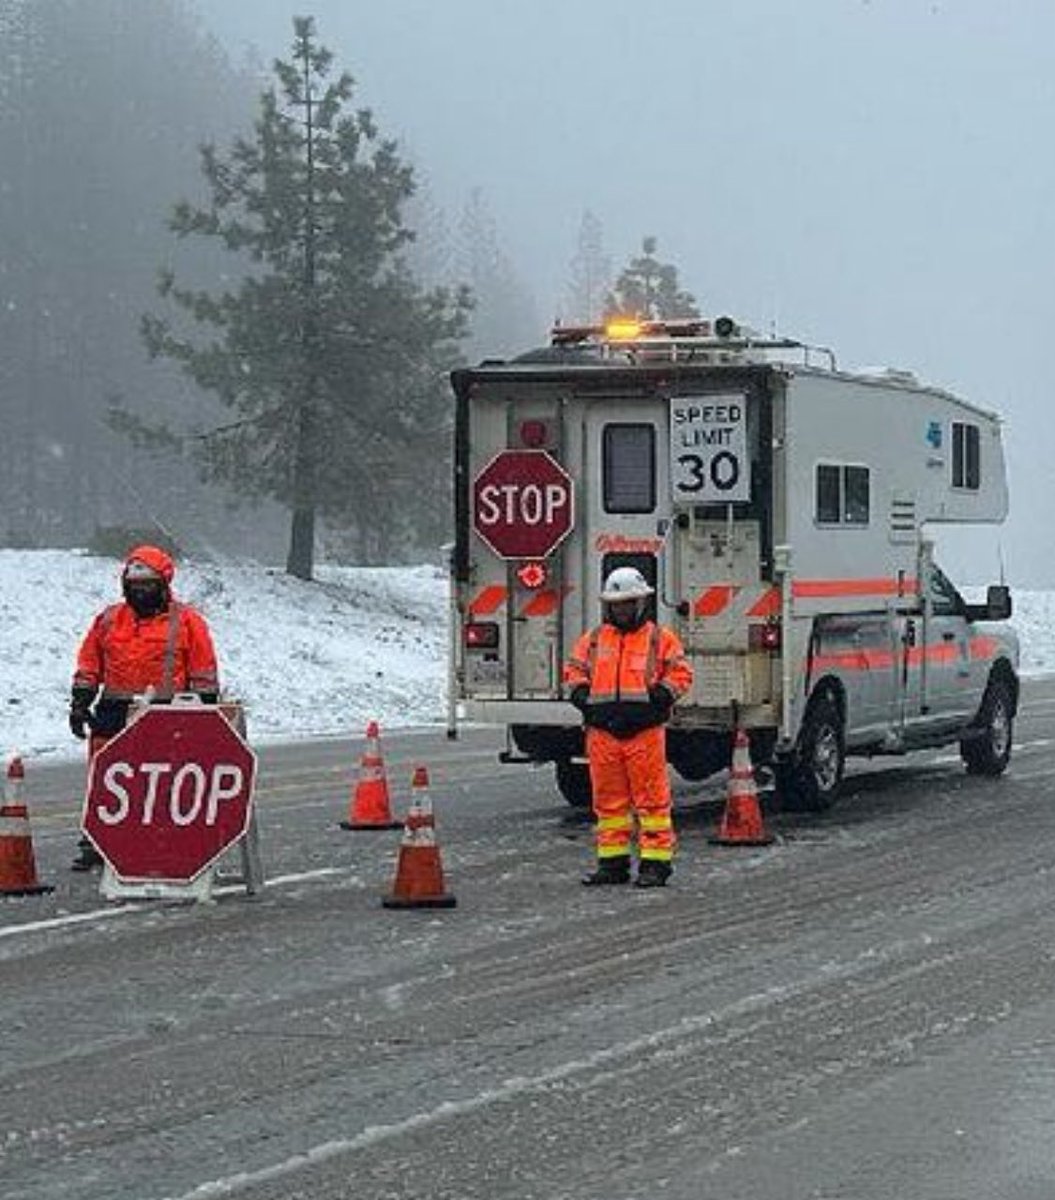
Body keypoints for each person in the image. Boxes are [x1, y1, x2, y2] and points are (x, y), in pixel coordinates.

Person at [68, 544, 220, 871]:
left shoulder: (188, 622)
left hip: (166, 711)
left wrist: (205, 715)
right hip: (114, 710)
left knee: (161, 779)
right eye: (134, 586)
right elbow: (90, 662)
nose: (140, 592)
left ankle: (162, 837)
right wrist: (80, 701)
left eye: (147, 585)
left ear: (163, 585)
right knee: (107, 777)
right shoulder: (108, 619)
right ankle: (98, 841)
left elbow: (203, 671)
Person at [564, 566, 694, 889]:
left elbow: (680, 673)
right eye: (617, 603)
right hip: (602, 733)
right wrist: (580, 694)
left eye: (628, 602)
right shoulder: (594, 639)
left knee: (652, 804)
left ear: (641, 604)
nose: (621, 609)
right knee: (609, 804)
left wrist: (662, 695)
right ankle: (612, 863)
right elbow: (574, 671)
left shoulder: (659, 639)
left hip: (645, 732)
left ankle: (655, 864)